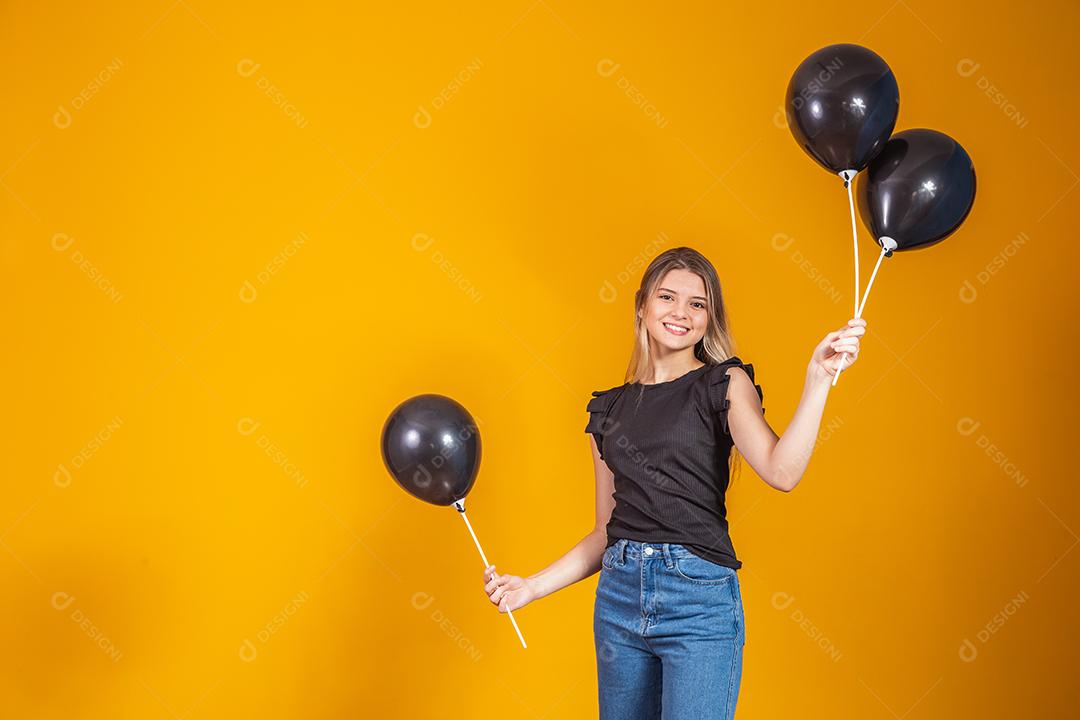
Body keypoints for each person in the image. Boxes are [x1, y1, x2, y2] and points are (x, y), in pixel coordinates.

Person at [481, 246, 865, 719]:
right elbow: (605, 532)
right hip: (618, 599)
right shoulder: (608, 410)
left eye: (697, 303)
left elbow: (782, 471)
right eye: (667, 297)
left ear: (709, 318)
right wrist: (531, 587)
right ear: (642, 304)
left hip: (697, 601)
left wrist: (818, 378)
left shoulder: (723, 384)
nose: (681, 312)